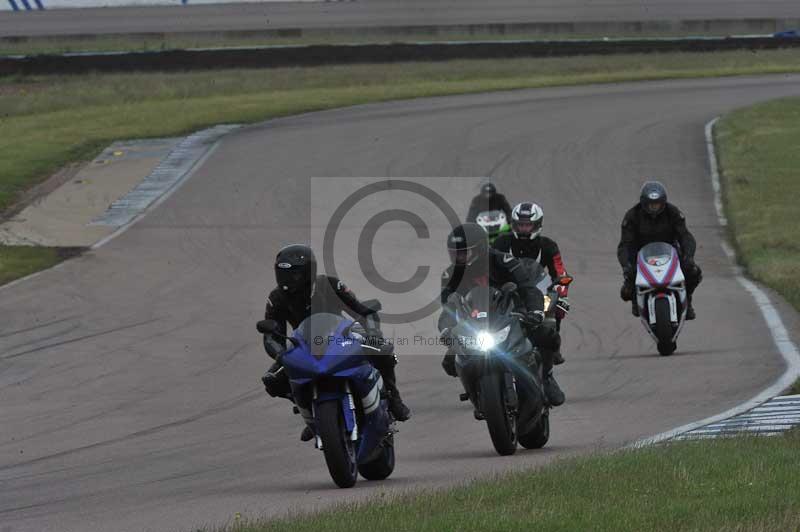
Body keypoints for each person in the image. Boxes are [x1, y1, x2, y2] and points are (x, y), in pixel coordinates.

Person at [260, 244, 411, 441]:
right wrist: (280, 353)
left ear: (308, 272)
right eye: (282, 274)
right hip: (304, 345)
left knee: (384, 351)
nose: (286, 280)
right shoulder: (276, 298)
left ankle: (393, 397)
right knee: (272, 380)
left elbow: (362, 310)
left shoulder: (329, 284)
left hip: (343, 335)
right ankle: (313, 414)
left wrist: (372, 331)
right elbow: (271, 335)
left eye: (294, 274)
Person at [438, 222, 565, 406]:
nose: (459, 257)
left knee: (547, 336)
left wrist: (535, 312)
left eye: (464, 252)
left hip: (513, 315)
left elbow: (528, 289)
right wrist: (446, 329)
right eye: (455, 253)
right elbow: (449, 306)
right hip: (476, 325)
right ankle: (477, 393)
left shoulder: (504, 261)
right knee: (450, 362)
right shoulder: (450, 274)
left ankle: (546, 377)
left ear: (480, 248)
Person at [493, 201, 570, 363]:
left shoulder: (548, 246)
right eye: (520, 224)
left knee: (561, 305)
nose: (523, 229)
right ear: (513, 224)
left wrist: (561, 289)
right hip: (507, 290)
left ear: (537, 225)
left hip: (538, 291)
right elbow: (490, 267)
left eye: (527, 225)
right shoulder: (501, 243)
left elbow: (559, 271)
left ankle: (553, 347)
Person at [617, 181, 702, 319]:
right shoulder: (632, 216)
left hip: (671, 254)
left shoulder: (673, 212)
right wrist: (627, 265)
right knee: (626, 290)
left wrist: (689, 257)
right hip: (641, 256)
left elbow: (686, 236)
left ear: (663, 203)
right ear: (644, 203)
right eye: (651, 204)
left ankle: (688, 299)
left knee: (693, 271)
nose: (654, 208)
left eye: (657, 204)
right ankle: (635, 299)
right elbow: (625, 245)